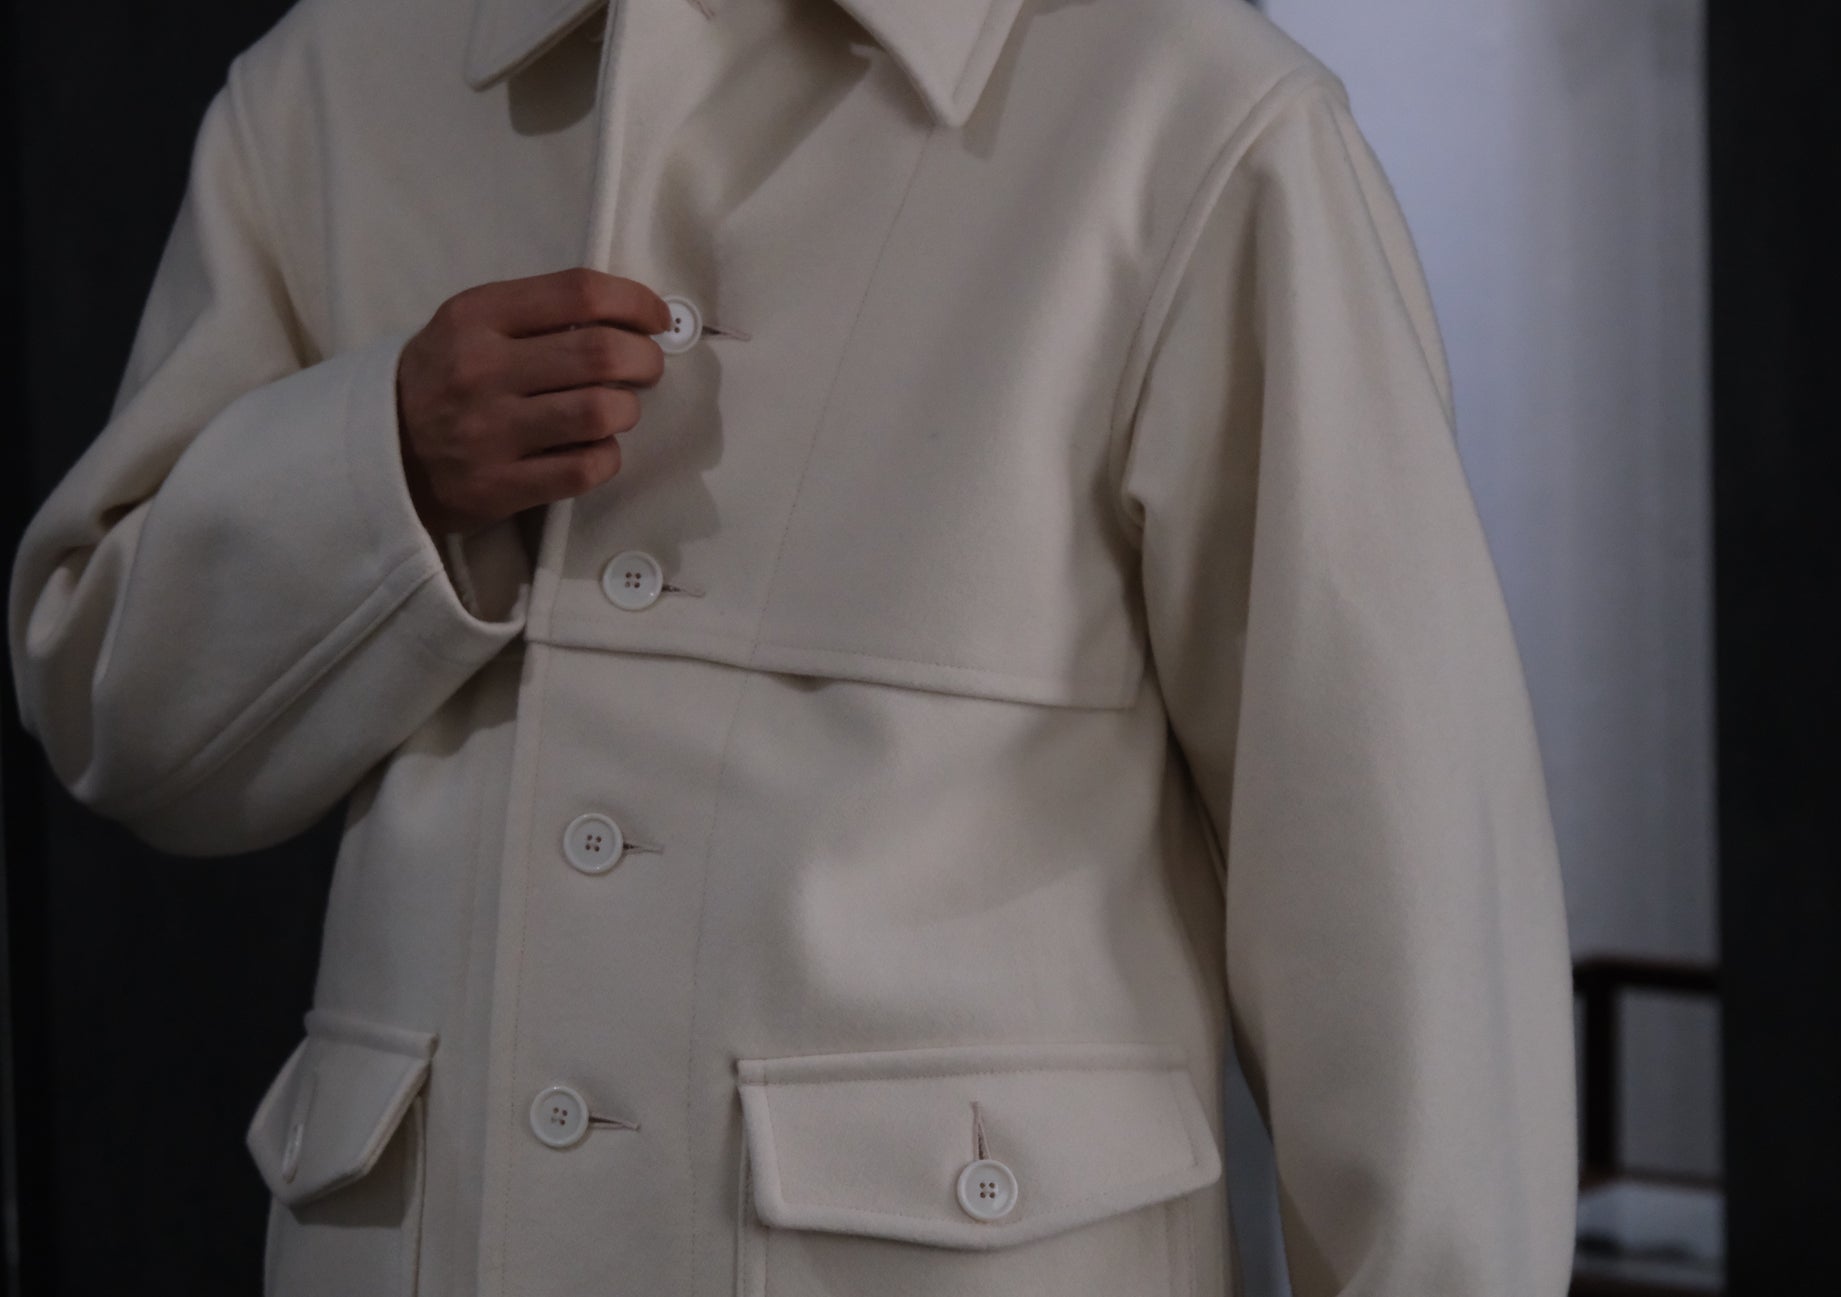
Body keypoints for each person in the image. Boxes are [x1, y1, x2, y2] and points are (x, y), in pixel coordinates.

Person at [6, 0, 1579, 1293]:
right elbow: (112, 706)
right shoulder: (340, 81)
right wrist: (387, 461)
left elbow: (1394, 895)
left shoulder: (1186, 114)